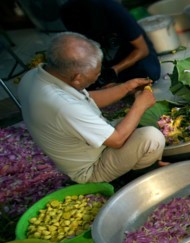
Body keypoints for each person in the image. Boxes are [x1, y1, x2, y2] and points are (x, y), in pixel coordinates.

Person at [17, 32, 165, 184]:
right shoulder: (64, 106)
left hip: (87, 146)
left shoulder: (35, 76)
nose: (98, 76)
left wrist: (126, 87)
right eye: (96, 74)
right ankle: (137, 176)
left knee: (136, 122)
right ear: (77, 78)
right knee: (151, 138)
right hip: (91, 169)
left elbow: (86, 100)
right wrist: (140, 105)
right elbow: (117, 141)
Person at [60, 0, 161, 88]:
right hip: (103, 60)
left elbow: (143, 50)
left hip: (132, 55)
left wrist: (114, 70)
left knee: (150, 73)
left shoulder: (113, 9)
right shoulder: (68, 13)